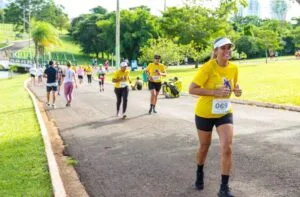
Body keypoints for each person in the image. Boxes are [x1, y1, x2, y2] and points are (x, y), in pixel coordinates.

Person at [189, 37, 242, 197]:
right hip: (205, 112)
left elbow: (231, 86)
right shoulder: (207, 67)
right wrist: (214, 92)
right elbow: (192, 89)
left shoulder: (234, 68)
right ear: (216, 51)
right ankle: (199, 171)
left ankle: (224, 188)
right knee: (204, 146)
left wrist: (237, 90)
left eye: (229, 48)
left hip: (224, 112)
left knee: (227, 147)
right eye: (223, 48)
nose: (227, 51)